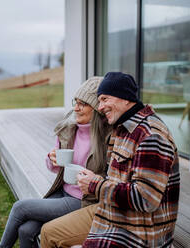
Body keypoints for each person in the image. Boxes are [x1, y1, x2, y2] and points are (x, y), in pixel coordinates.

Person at [41, 72, 180, 248]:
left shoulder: (151, 135)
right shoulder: (122, 129)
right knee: (48, 231)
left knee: (53, 235)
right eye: (99, 101)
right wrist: (95, 179)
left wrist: (95, 185)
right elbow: (118, 180)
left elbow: (146, 199)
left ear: (126, 99)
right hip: (115, 209)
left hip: (139, 227)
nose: (100, 107)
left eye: (105, 99)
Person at [0, 77, 111, 248]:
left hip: (83, 200)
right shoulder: (69, 129)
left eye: (83, 104)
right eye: (76, 102)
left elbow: (110, 175)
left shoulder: (107, 137)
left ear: (96, 108)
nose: (76, 108)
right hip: (63, 191)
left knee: (20, 207)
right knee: (26, 230)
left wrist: (93, 179)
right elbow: (53, 166)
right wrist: (52, 160)